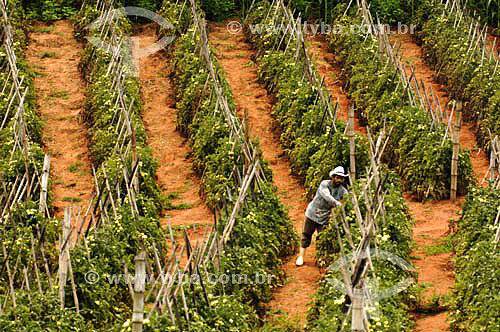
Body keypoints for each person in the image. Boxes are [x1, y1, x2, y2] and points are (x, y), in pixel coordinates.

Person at [296, 166, 349, 266]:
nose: (339, 180)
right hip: (312, 213)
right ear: (333, 177)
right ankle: (301, 256)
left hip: (324, 217)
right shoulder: (324, 184)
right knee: (306, 235)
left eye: (341, 178)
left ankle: (320, 258)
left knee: (322, 239)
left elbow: (348, 197)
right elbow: (327, 196)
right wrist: (338, 204)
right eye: (337, 177)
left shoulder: (342, 190)